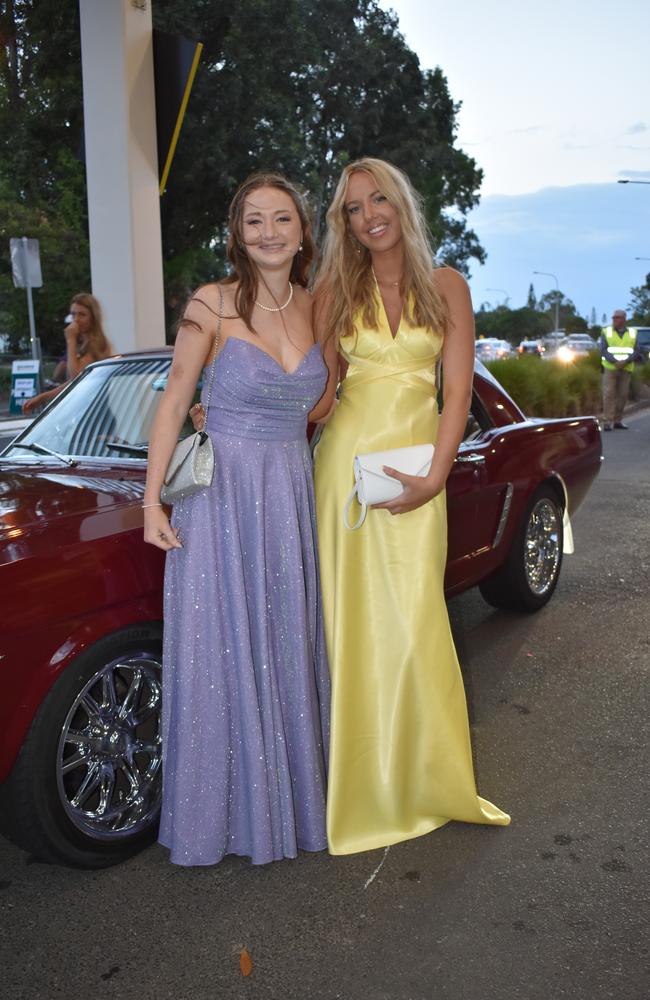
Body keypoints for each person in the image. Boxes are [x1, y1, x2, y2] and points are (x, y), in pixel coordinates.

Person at [311, 157, 510, 855]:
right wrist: (242, 406)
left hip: (422, 473)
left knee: (419, 618)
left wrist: (436, 479)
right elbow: (322, 393)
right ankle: (365, 791)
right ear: (346, 223)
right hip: (345, 476)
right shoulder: (334, 285)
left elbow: (456, 395)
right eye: (355, 207)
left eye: (380, 198)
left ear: (401, 201)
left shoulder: (447, 285)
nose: (371, 214)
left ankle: (428, 779)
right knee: (356, 624)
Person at [142, 173, 330, 867]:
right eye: (254, 221)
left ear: (304, 231)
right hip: (220, 502)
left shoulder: (319, 306)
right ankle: (225, 816)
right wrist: (150, 497)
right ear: (237, 232)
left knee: (283, 641)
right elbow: (171, 404)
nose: (269, 232)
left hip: (287, 493)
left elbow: (324, 405)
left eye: (282, 219)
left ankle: (288, 803)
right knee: (224, 651)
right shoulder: (211, 305)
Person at [22, 293, 112, 414]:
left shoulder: (97, 344)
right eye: (73, 314)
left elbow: (76, 378)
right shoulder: (81, 343)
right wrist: (43, 397)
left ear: (93, 318)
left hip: (94, 413)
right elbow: (71, 383)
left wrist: (71, 340)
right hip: (82, 411)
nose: (76, 320)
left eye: (82, 314)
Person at [600, 309, 643, 430]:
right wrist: (615, 361)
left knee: (623, 395)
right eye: (613, 318)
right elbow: (603, 349)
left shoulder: (632, 333)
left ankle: (618, 420)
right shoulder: (606, 331)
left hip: (626, 367)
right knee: (609, 394)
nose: (615, 320)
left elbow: (637, 350)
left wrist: (626, 361)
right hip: (610, 367)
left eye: (617, 317)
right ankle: (607, 421)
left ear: (624, 319)